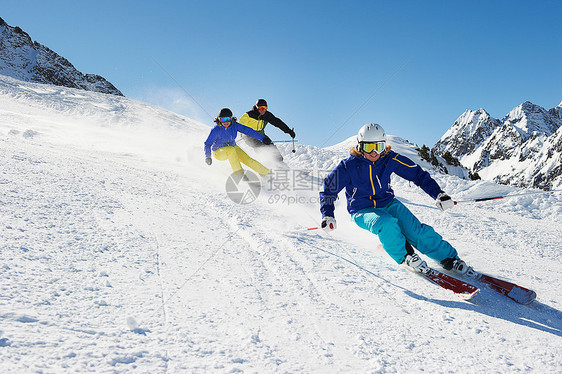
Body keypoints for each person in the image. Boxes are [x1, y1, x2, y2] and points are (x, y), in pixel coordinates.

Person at [319, 123, 475, 276]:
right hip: (362, 210)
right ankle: (406, 256)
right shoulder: (349, 166)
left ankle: (449, 259)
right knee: (386, 223)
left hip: (389, 203)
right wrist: (327, 214)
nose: (374, 153)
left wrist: (439, 195)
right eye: (368, 147)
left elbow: (418, 175)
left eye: (378, 147)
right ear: (360, 147)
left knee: (416, 232)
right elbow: (328, 189)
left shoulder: (389, 160)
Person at [204, 108, 272, 177]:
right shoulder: (216, 130)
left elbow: (248, 131)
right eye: (223, 119)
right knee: (231, 150)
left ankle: (267, 173)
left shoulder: (235, 125)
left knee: (248, 160)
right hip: (218, 152)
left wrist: (263, 138)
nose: (226, 122)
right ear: (219, 119)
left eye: (228, 119)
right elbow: (208, 144)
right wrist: (208, 156)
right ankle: (239, 174)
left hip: (232, 147)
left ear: (231, 119)